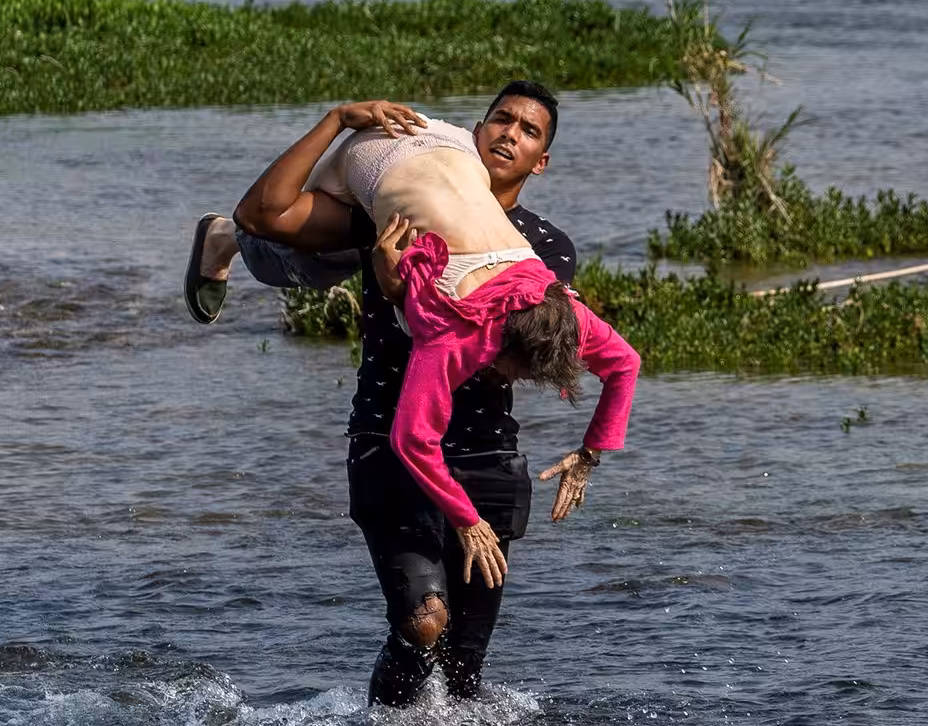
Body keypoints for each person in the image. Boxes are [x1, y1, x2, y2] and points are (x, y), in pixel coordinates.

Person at [185, 82, 636, 705]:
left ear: (541, 161)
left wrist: (590, 452)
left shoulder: (545, 249)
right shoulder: (398, 212)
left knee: (466, 666)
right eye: (500, 120)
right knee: (424, 623)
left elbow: (589, 354)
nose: (509, 134)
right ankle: (225, 243)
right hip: (390, 440)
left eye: (529, 131)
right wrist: (393, 278)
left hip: (485, 452)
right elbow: (273, 207)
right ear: (473, 134)